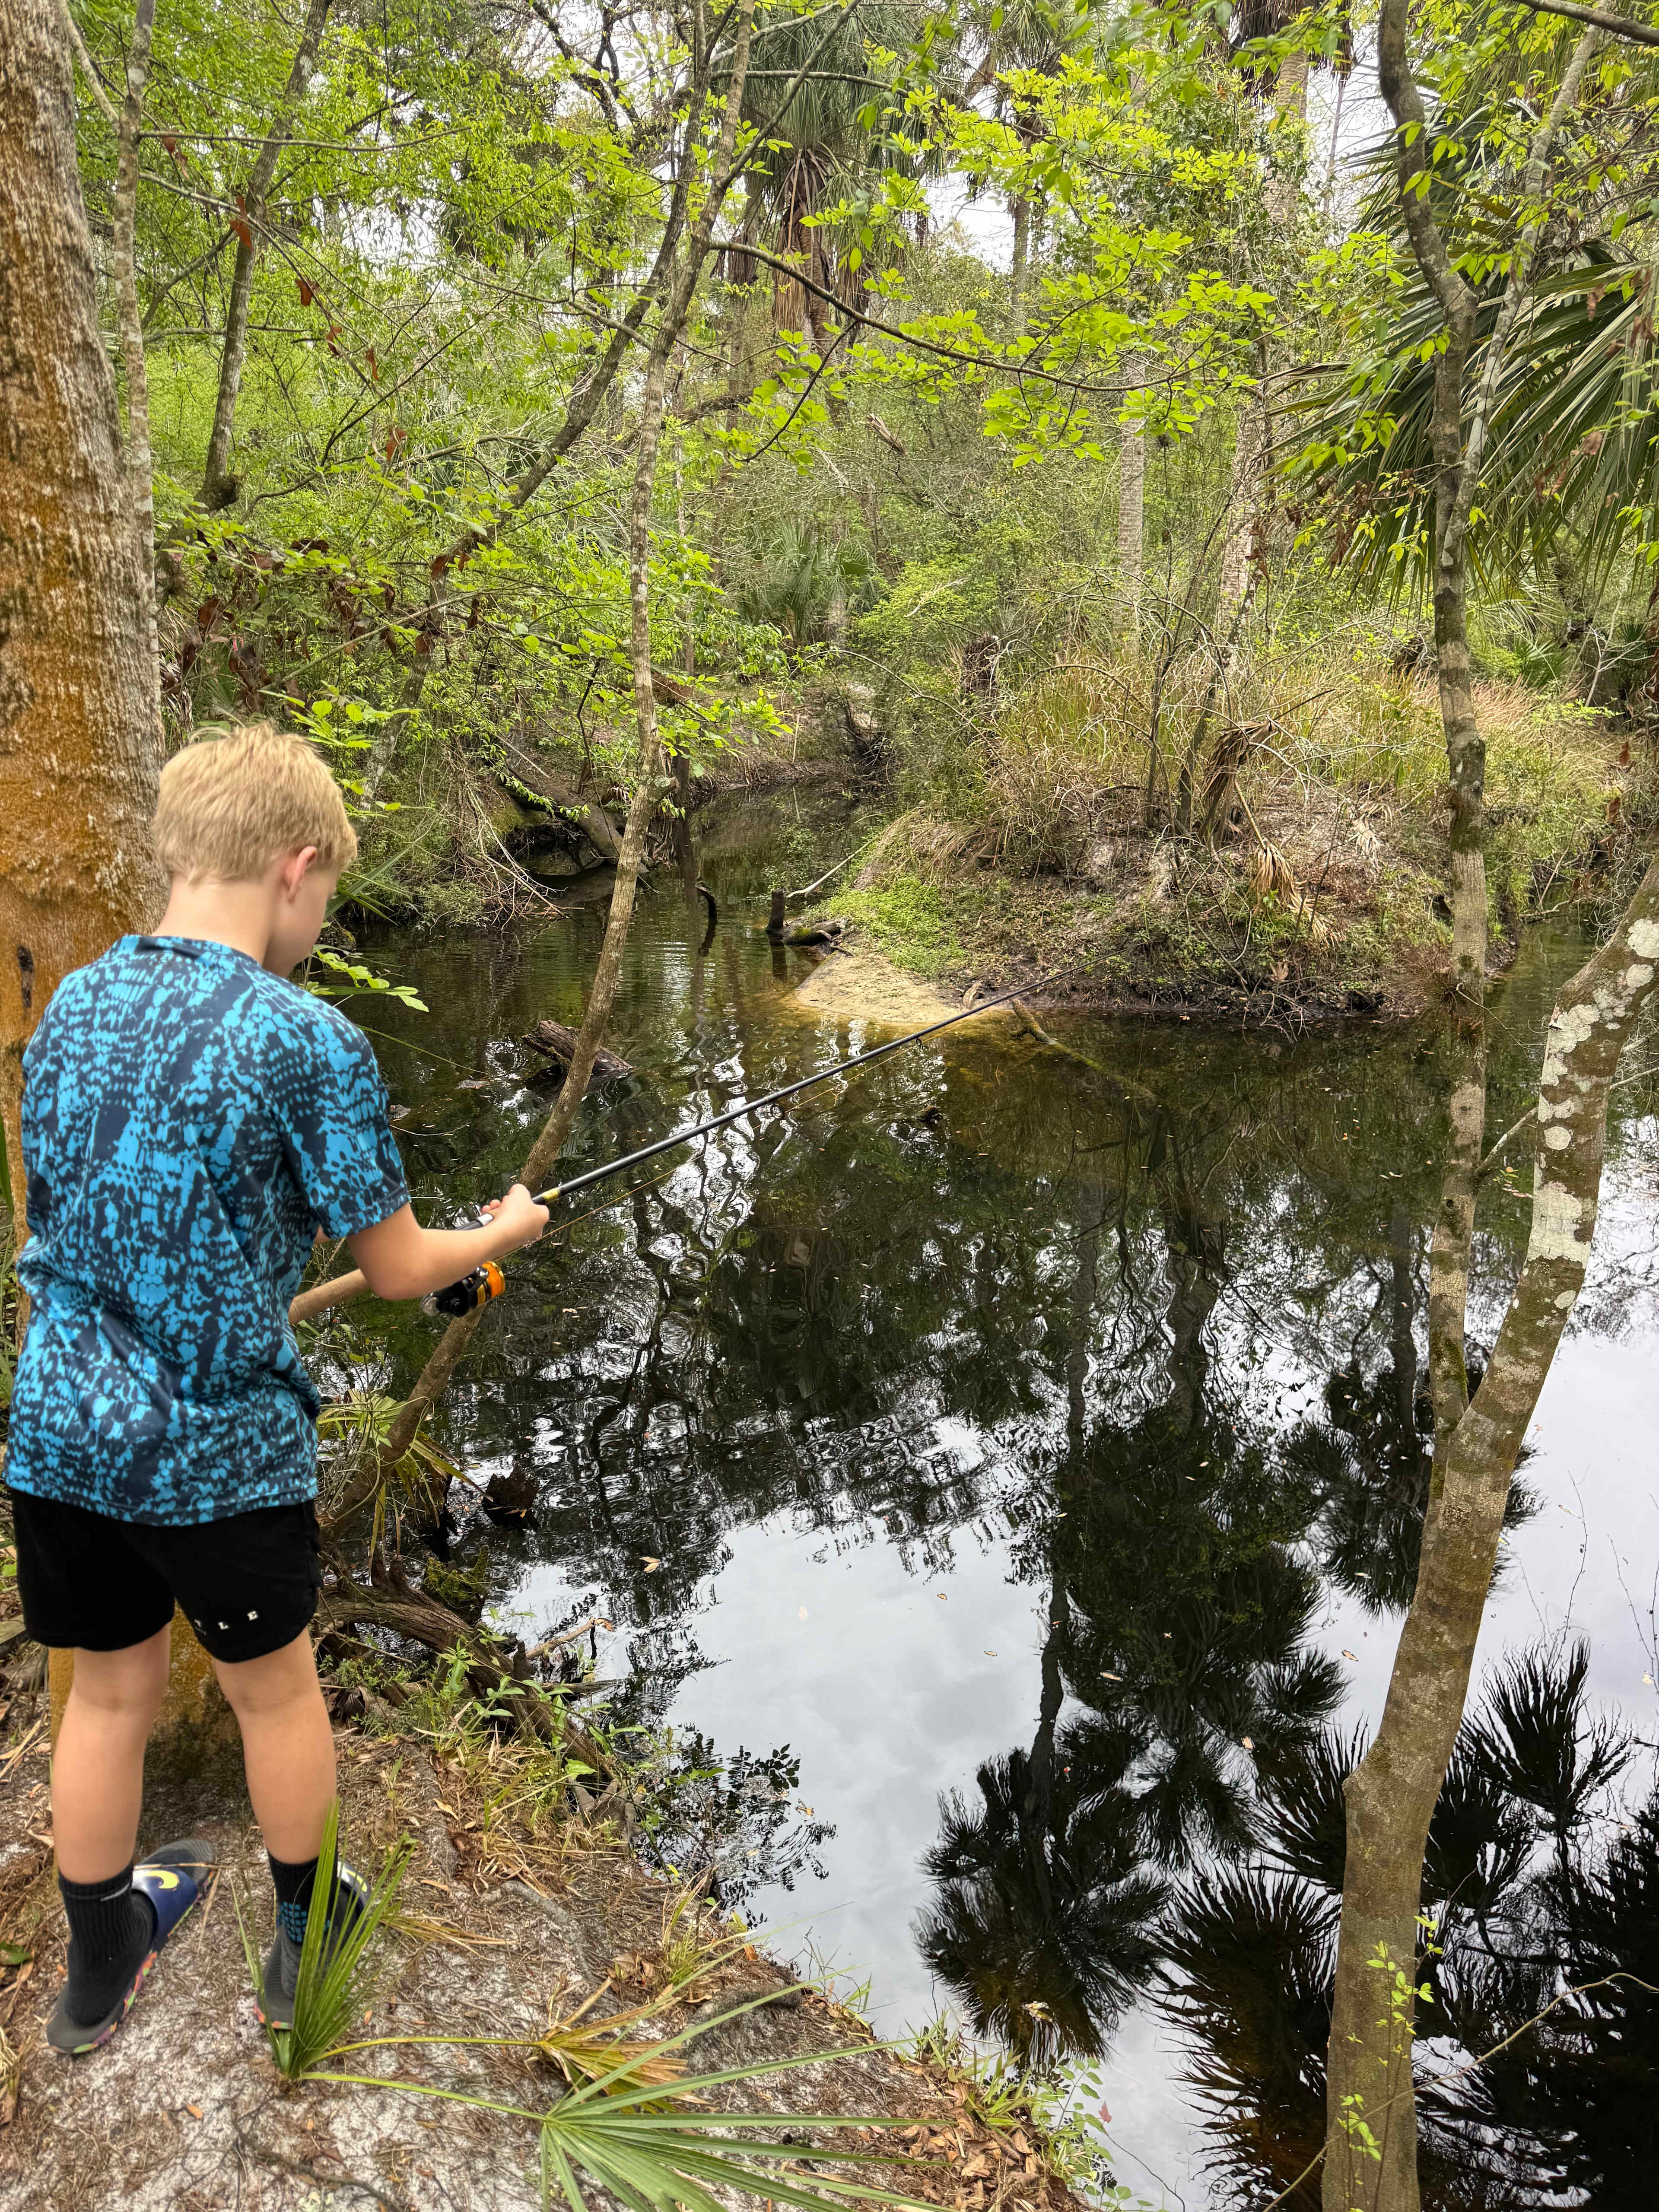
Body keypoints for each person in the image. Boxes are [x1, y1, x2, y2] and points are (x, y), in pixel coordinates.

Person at [4, 723, 549, 2055]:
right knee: (276, 1693)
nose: (316, 926)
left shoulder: (69, 1003)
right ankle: (308, 1935)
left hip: (60, 1434)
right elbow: (407, 1264)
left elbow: (80, 1218)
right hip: (213, 1461)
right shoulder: (303, 1039)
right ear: (296, 868)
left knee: (111, 1693)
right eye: (324, 899)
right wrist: (507, 1231)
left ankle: (100, 1963)